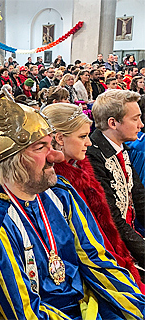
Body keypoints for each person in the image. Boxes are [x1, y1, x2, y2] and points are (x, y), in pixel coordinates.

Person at [0, 95, 145, 319]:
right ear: (15, 159)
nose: (56, 155)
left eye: (52, 144)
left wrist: (140, 308)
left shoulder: (60, 193)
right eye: (41, 147)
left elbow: (97, 260)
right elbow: (23, 312)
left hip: (83, 306)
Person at [43, 103, 145, 291]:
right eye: (82, 136)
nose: (89, 143)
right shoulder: (57, 187)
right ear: (59, 138)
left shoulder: (80, 170)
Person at [86, 89, 145, 268]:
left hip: (127, 238)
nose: (141, 124)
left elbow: (139, 198)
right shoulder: (93, 155)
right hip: (109, 248)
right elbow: (111, 218)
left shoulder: (120, 147)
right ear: (113, 123)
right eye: (135, 119)